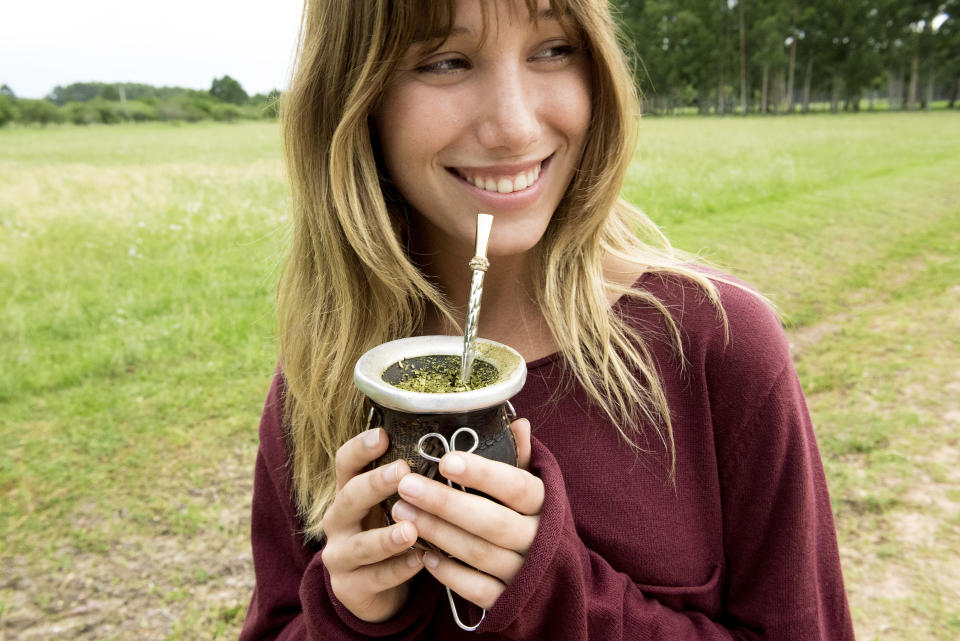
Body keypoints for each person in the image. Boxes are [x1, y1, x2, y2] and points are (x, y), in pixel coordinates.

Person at [239, 0, 856, 639]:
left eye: (554, 49)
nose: (512, 126)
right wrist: (351, 618)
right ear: (353, 100)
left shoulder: (717, 346)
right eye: (445, 61)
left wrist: (560, 599)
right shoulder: (329, 369)